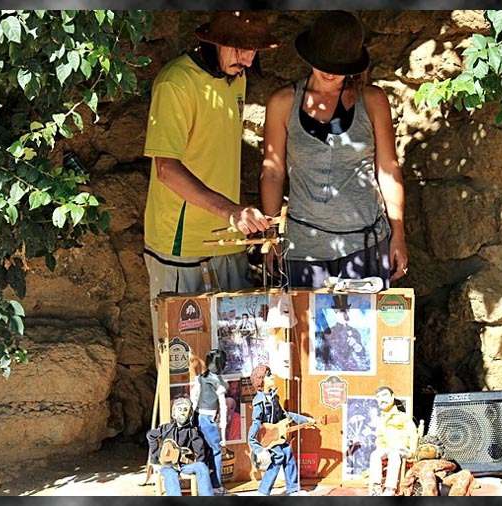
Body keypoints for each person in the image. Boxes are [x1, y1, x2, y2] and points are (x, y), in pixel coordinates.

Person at [144, 11, 279, 347]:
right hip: (183, 248)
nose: (247, 59)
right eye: (239, 49)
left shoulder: (237, 79)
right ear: (213, 42)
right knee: (185, 361)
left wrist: (239, 217)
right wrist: (231, 211)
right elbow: (166, 169)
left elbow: (217, 157)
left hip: (230, 243)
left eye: (253, 50)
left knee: (242, 358)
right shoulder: (176, 83)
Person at [260, 10, 408, 288]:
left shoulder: (373, 100)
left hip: (364, 244)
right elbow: (273, 173)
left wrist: (398, 233)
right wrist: (271, 236)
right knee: (302, 318)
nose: (329, 72)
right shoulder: (283, 102)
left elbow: (388, 171)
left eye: (339, 66)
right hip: (303, 246)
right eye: (323, 63)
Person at [247, 364, 313, 496]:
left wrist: (305, 420)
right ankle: (263, 491)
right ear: (261, 381)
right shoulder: (259, 403)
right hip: (269, 438)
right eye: (268, 375)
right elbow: (254, 428)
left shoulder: (274, 398)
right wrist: (258, 449)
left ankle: (293, 489)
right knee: (278, 457)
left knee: (288, 453)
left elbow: (285, 415)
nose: (272, 377)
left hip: (278, 436)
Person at [146, 397, 214, 496]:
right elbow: (150, 435)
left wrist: (200, 462)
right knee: (170, 474)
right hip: (168, 466)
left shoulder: (191, 431)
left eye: (185, 410)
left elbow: (201, 449)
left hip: (185, 465)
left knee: (202, 467)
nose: (182, 413)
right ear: (173, 413)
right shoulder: (166, 428)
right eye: (179, 409)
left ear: (189, 414)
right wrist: (155, 459)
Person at [190, 349, 229, 495]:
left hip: (198, 416)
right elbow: (223, 408)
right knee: (215, 451)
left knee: (202, 451)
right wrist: (223, 434)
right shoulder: (218, 382)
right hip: (209, 419)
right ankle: (215, 485)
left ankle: (203, 485)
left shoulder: (200, 378)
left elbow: (194, 398)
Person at [367, 385, 419, 496]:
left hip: (402, 449)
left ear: (392, 397)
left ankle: (390, 489)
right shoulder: (381, 419)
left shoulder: (403, 417)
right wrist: (380, 448)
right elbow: (380, 438)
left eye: (384, 395)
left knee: (394, 454)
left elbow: (413, 435)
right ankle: (376, 488)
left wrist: (412, 452)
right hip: (387, 448)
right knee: (375, 455)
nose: (381, 399)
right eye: (378, 397)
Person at [317, 294, 369, 371]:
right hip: (334, 368)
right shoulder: (329, 332)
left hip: (351, 368)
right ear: (336, 313)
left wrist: (357, 346)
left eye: (346, 310)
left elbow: (362, 355)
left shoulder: (354, 331)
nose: (344, 314)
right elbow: (323, 356)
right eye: (341, 311)